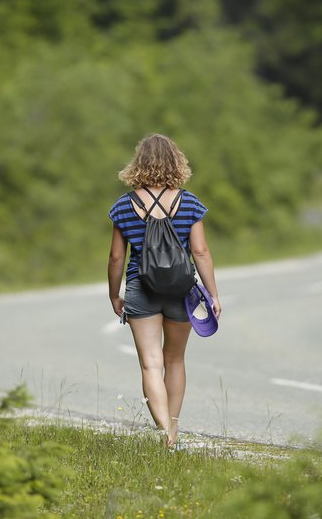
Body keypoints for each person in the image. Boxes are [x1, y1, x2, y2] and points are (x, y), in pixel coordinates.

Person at [107, 134, 222, 448]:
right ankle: (173, 429)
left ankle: (164, 434)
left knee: (150, 364)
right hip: (181, 291)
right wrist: (212, 294)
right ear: (176, 162)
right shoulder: (190, 203)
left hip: (140, 288)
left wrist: (114, 294)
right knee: (175, 361)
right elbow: (200, 253)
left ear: (138, 163)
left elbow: (117, 256)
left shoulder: (124, 206)